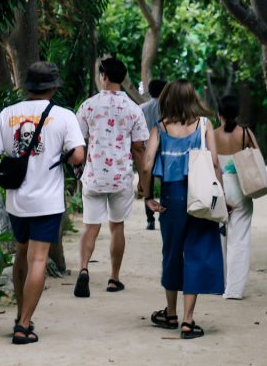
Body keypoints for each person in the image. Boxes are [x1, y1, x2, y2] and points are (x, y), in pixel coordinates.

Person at [0, 61, 85, 345]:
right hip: (47, 202)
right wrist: (66, 157)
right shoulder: (64, 116)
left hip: (16, 202)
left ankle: (22, 314)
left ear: (27, 86)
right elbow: (78, 156)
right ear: (54, 87)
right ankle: (23, 325)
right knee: (39, 259)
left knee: (21, 254)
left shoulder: (7, 115)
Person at [141, 79, 224, 339]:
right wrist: (219, 197)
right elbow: (214, 163)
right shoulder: (204, 125)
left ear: (167, 99)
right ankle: (188, 322)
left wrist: (148, 197)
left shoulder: (160, 127)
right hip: (199, 196)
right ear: (193, 99)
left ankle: (171, 313)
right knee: (197, 253)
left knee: (172, 253)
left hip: (172, 196)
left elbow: (146, 165)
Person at [73, 57, 149, 298]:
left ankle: (84, 269)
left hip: (94, 175)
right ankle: (114, 278)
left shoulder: (88, 106)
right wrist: (144, 183)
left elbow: (77, 144)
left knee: (90, 228)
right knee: (117, 227)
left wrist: (78, 169)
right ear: (122, 79)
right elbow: (139, 148)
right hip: (121, 177)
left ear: (103, 76)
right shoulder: (133, 109)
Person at [214, 94, 259, 300]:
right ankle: (233, 290)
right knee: (239, 240)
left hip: (219, 187)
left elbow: (210, 164)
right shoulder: (245, 133)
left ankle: (219, 283)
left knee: (219, 238)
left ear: (219, 114)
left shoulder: (212, 135)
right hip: (240, 188)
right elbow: (257, 156)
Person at [138, 78, 167, 230]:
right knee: (165, 183)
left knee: (147, 184)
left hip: (145, 150)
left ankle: (150, 220)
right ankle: (164, 214)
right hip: (164, 150)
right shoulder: (168, 108)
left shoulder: (141, 108)